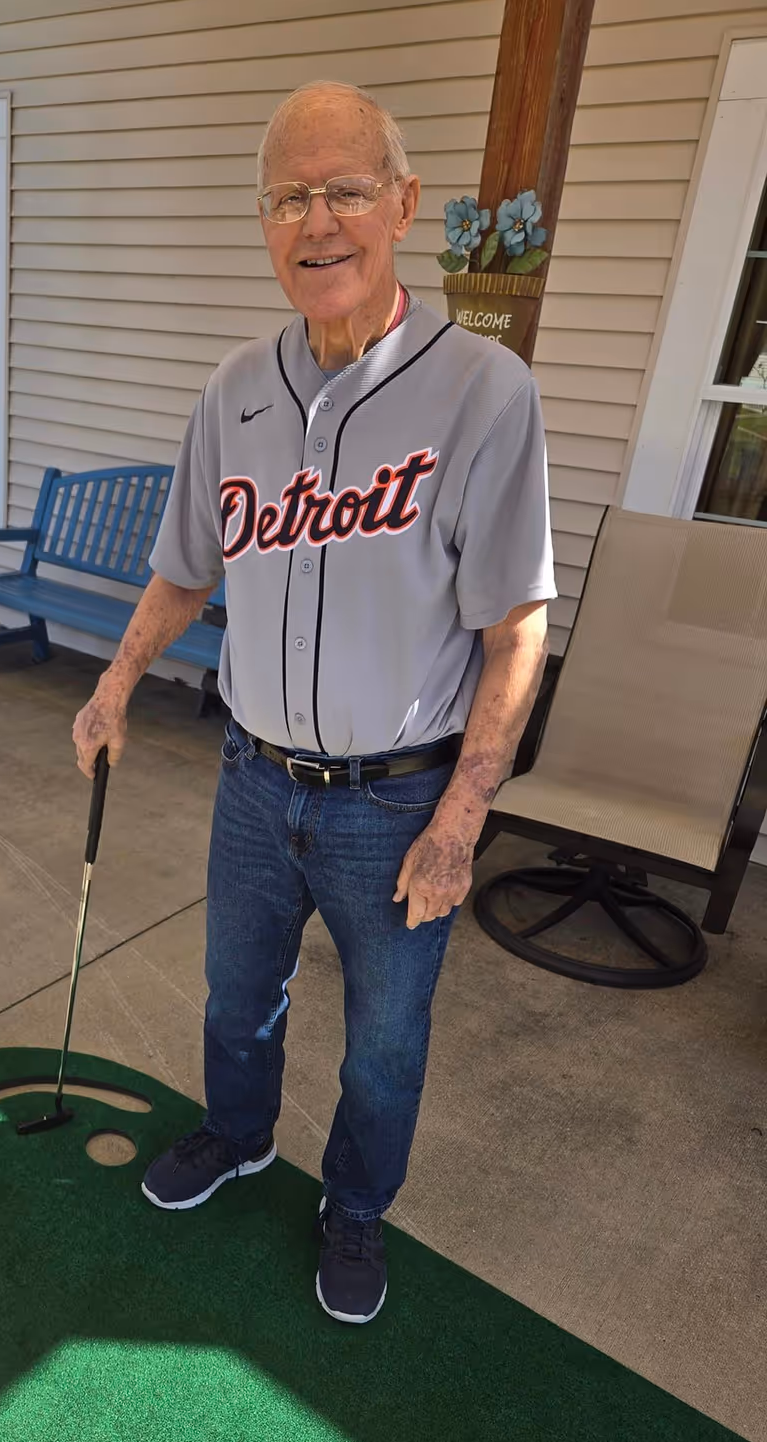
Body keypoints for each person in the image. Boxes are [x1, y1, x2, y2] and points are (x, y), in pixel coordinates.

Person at [72, 80, 555, 1324]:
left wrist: (461, 819)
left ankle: (354, 1204)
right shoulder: (234, 389)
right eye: (290, 196)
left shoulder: (485, 394)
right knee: (236, 998)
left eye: (344, 189)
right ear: (265, 220)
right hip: (252, 779)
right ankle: (239, 1136)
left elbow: (517, 628)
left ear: (402, 207)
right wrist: (115, 685)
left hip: (395, 805)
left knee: (386, 1042)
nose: (317, 219)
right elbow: (186, 569)